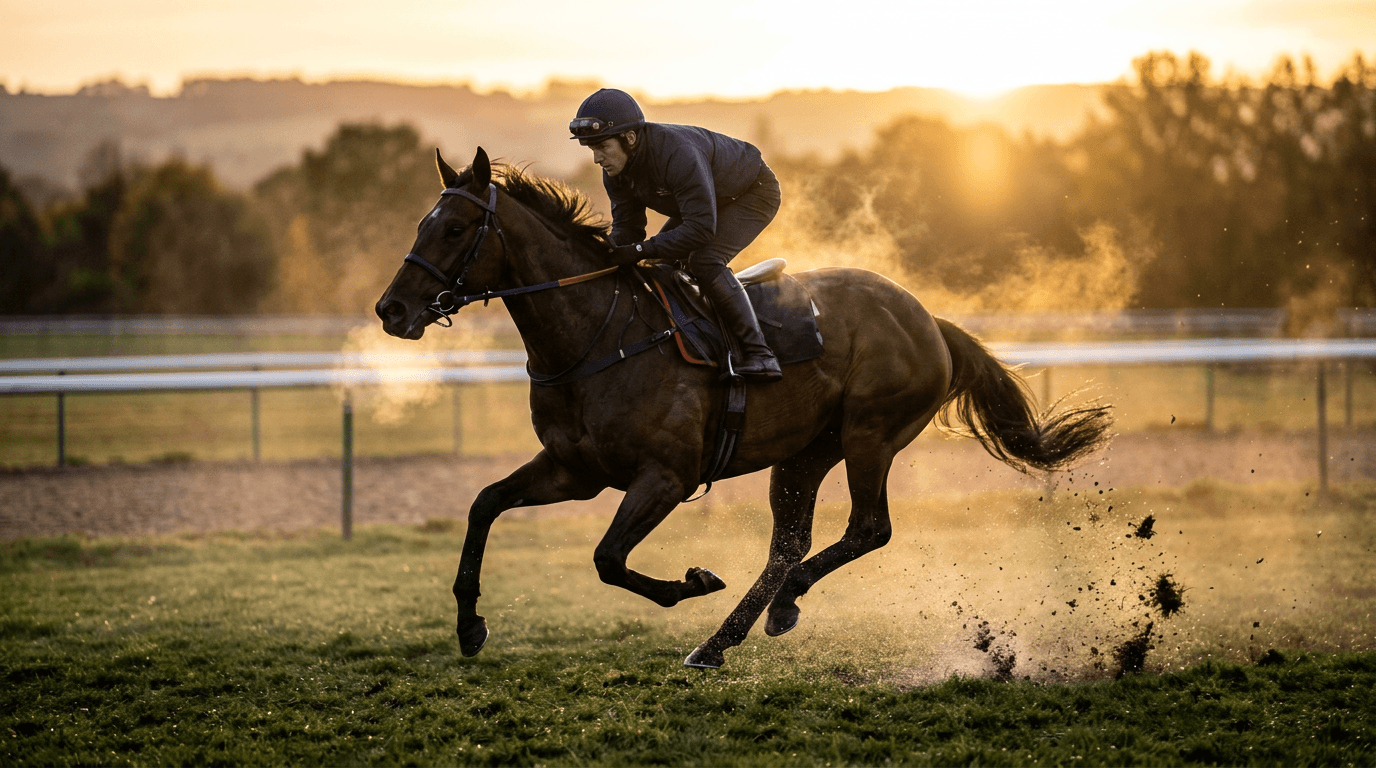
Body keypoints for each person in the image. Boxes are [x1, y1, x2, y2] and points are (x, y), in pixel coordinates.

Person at [569, 88, 783, 382]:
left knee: (704, 261)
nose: (597, 159)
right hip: (709, 202)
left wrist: (641, 251)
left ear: (629, 138)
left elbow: (700, 229)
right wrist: (606, 254)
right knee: (659, 268)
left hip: (752, 193)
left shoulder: (677, 153)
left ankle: (760, 354)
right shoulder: (616, 171)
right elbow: (628, 231)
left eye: (602, 147)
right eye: (591, 149)